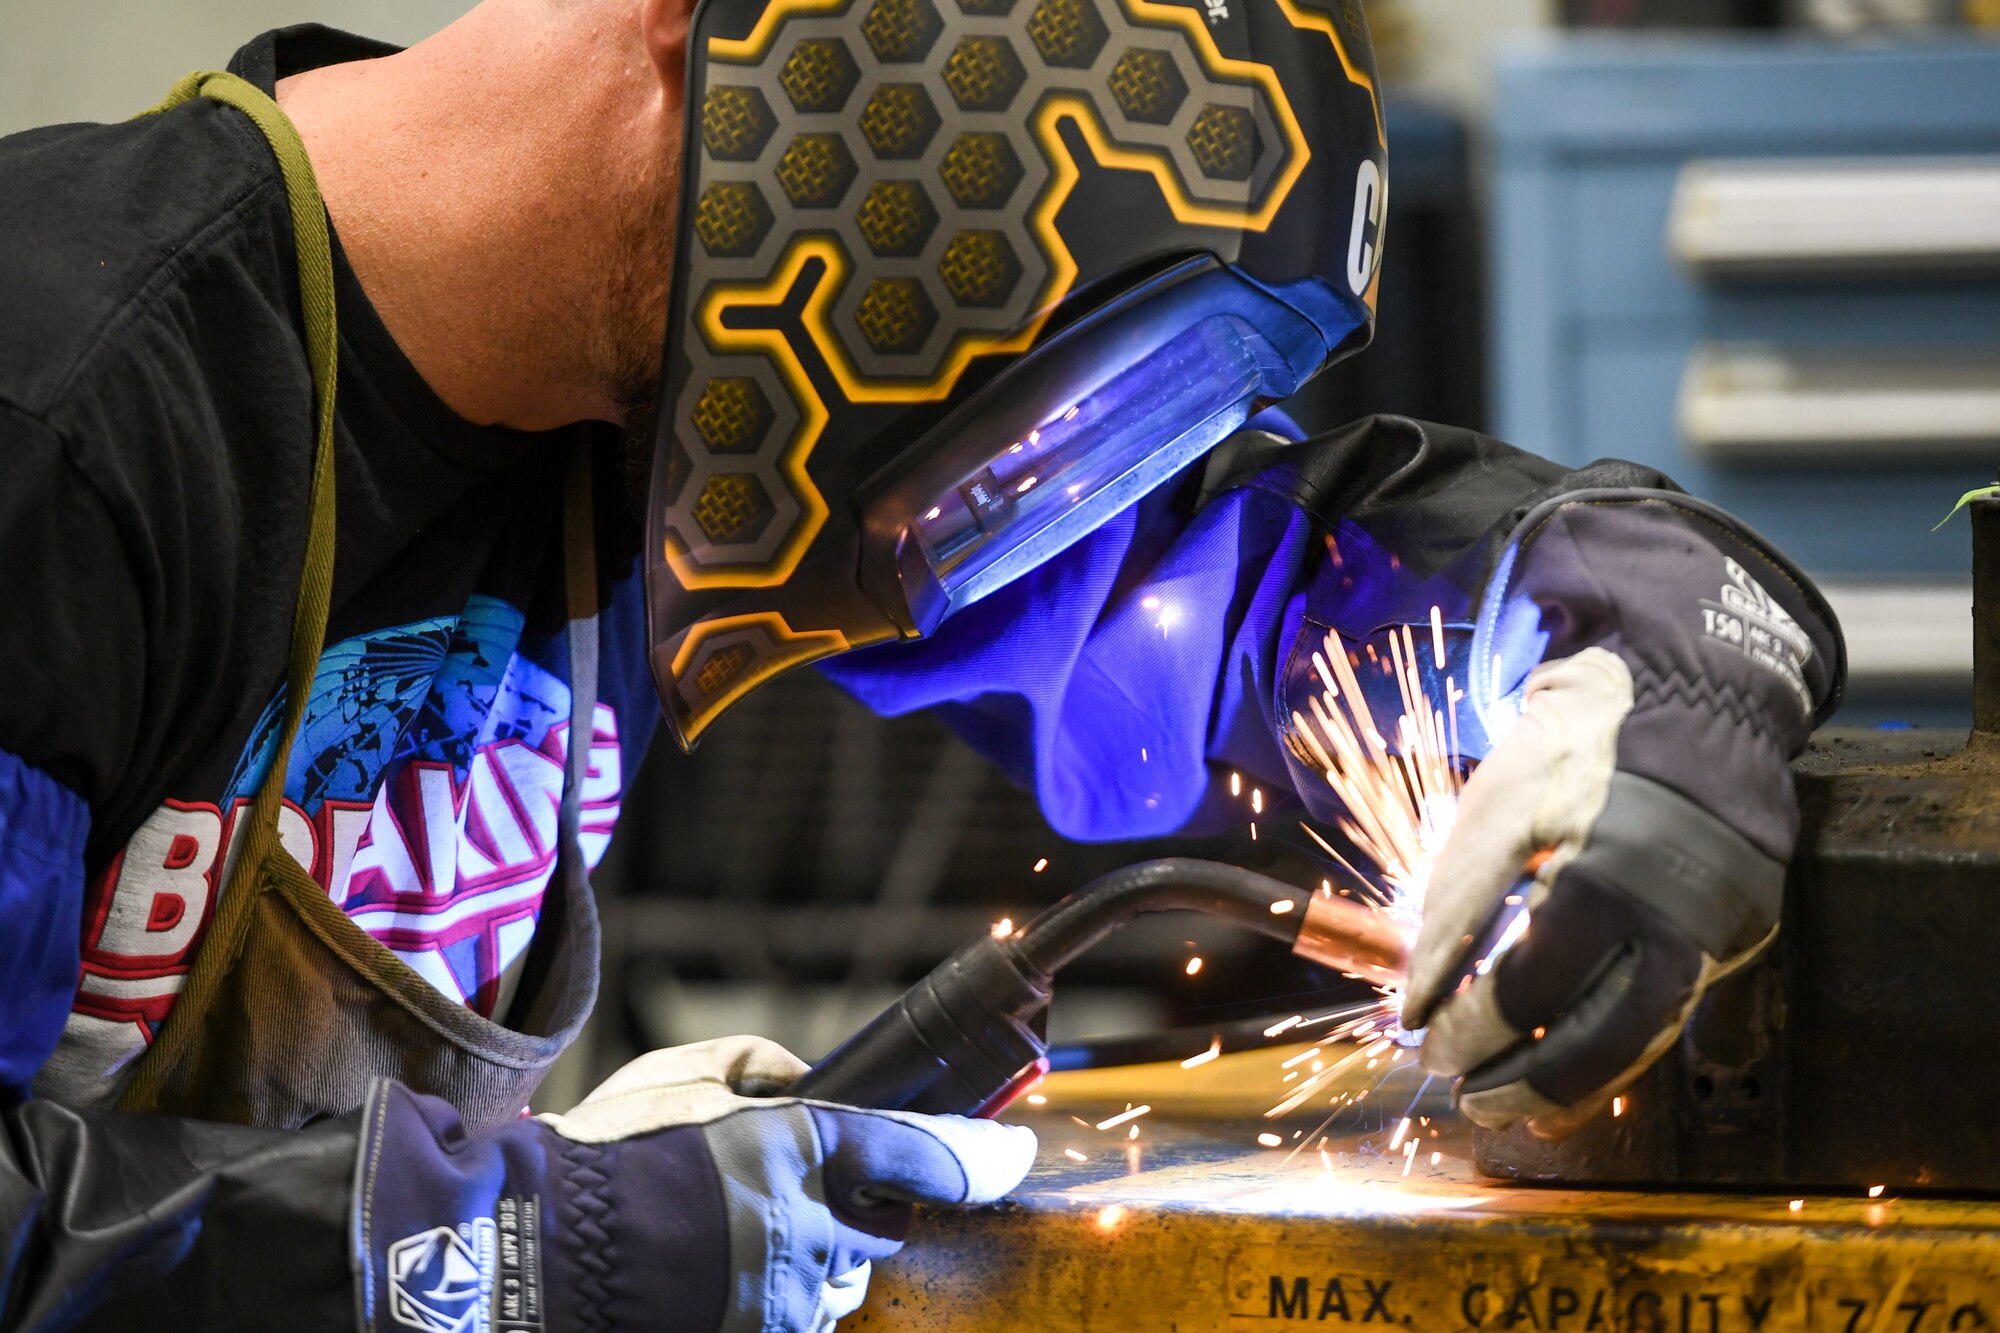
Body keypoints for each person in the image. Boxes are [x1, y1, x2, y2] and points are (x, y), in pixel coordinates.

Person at [0, 0, 1842, 1326]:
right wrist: (495, 1242)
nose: (1028, 487)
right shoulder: (63, 416)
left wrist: (1654, 677)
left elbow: (1305, 586)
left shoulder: (699, 427)